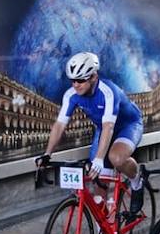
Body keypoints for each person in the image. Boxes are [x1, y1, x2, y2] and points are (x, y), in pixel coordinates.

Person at [37, 52, 147, 220]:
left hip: (127, 125)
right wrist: (47, 154)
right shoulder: (71, 95)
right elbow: (60, 125)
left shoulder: (108, 91)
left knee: (115, 158)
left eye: (80, 80)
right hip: (103, 129)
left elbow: (109, 126)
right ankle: (102, 231)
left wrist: (98, 159)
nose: (76, 85)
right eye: (72, 80)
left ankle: (136, 180)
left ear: (94, 77)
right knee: (98, 181)